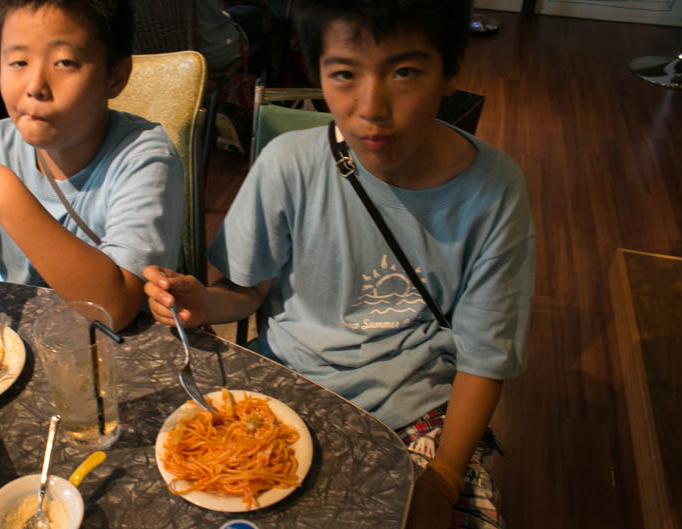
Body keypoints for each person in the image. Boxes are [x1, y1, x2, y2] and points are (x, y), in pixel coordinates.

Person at [143, 1, 535, 527]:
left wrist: (442, 478)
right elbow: (248, 293)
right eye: (345, 74)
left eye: (404, 72)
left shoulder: (494, 190)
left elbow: (484, 358)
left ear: (449, 72)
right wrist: (202, 302)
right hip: (286, 389)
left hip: (419, 413)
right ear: (317, 73)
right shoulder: (290, 164)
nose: (371, 107)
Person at [0, 0, 184, 331]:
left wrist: (6, 197)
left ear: (116, 77)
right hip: (38, 344)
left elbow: (117, 309)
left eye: (64, 62)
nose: (35, 86)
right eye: (18, 61)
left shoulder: (144, 158)